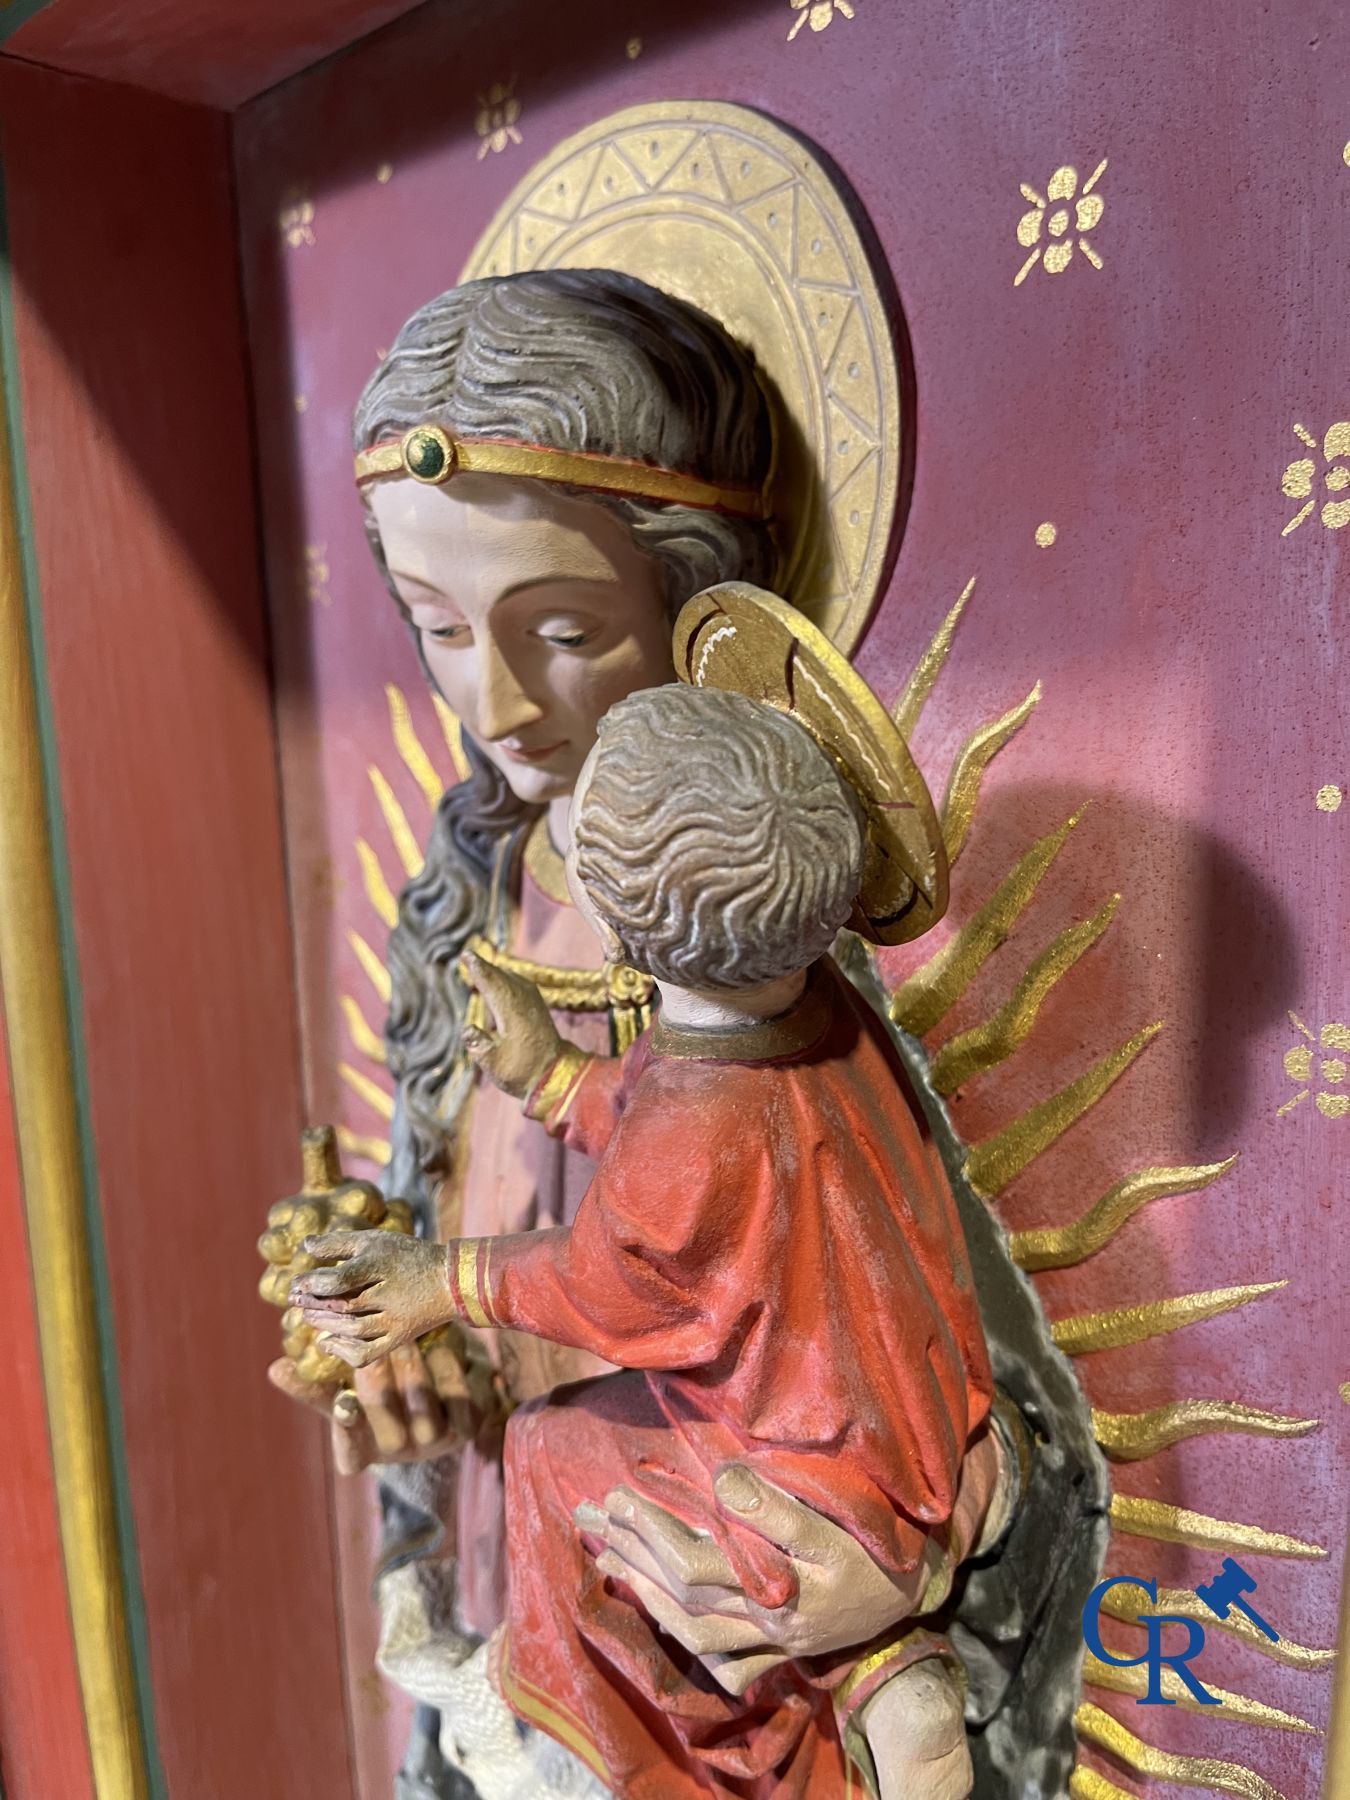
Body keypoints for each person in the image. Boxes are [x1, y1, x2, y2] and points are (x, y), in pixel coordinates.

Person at [272, 269, 947, 1799]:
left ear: (695, 605)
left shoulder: (778, 941)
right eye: (439, 629)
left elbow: (927, 1341)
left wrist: (891, 1580)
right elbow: (528, 1205)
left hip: (726, 1626)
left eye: (562, 627)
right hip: (533, 1610)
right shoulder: (469, 895)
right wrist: (402, 1358)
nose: (494, 702)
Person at [293, 636, 1008, 1798]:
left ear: (623, 935)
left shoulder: (688, 1117)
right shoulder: (812, 1007)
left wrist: (439, 1278)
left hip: (783, 1456)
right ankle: (885, 1672)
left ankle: (626, 1755)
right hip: (905, 1425)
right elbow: (687, 1173)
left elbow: (609, 1277)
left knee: (547, 1448)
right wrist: (548, 1077)